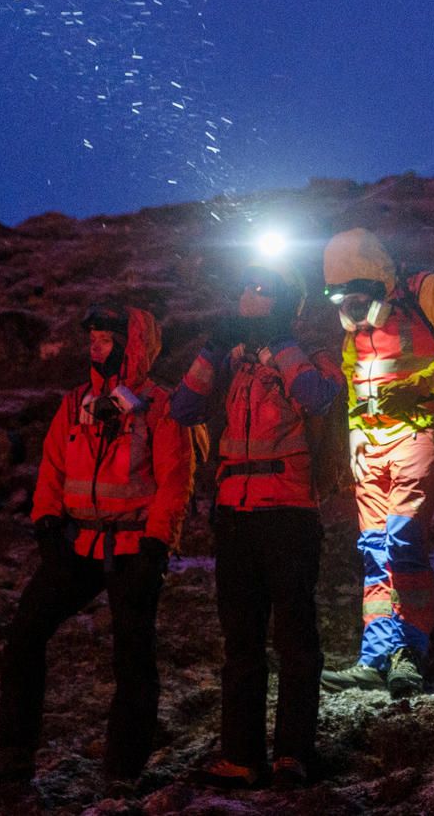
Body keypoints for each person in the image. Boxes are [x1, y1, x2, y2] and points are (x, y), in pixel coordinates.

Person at [0, 301, 193, 784]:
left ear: (131, 344)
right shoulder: (75, 403)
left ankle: (122, 771)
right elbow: (52, 468)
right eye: (93, 338)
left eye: (106, 337)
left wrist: (156, 546)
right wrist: (46, 524)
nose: (95, 344)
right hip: (78, 547)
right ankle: (15, 757)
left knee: (133, 656)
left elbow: (175, 481)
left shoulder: (160, 407)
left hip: (133, 550)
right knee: (25, 634)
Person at [170, 261, 343, 789]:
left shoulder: (312, 359)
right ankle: (241, 755)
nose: (249, 296)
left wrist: (278, 343)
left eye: (262, 290)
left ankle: (293, 754)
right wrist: (209, 349)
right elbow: (182, 408)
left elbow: (317, 396)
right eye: (246, 287)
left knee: (295, 637)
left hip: (289, 512)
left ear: (285, 304)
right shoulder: (229, 364)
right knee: (241, 640)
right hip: (236, 516)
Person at [318, 228, 434, 697]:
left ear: (379, 282)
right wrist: (352, 436)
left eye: (357, 295)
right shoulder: (357, 321)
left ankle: (409, 653)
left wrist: (421, 385)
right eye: (341, 298)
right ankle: (375, 657)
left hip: (423, 430)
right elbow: (353, 376)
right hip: (370, 444)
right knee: (373, 549)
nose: (351, 308)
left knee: (403, 541)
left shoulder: (427, 290)